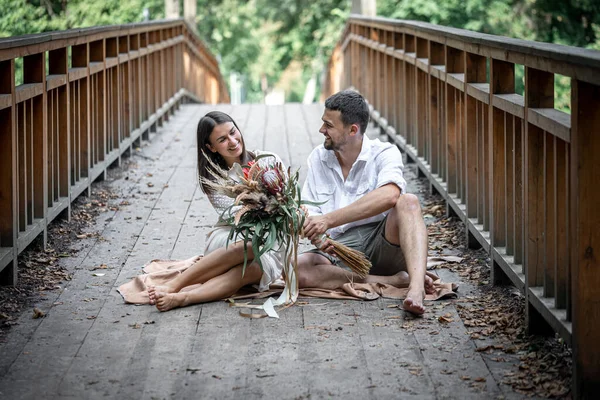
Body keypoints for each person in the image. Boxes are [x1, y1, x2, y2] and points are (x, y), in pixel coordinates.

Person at [298, 89, 431, 315]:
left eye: (328, 126)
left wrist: (328, 220)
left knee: (408, 202)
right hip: (340, 249)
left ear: (353, 130)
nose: (322, 130)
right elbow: (309, 209)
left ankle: (416, 289)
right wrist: (317, 235)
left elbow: (390, 195)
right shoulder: (319, 157)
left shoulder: (384, 153)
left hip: (384, 241)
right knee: (296, 270)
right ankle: (394, 281)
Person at [147, 111, 286, 311]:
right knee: (247, 245)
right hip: (231, 237)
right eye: (222, 139)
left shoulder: (269, 161)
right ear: (211, 147)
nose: (232, 141)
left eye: (232, 132)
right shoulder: (215, 180)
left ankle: (184, 298)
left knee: (252, 268)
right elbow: (242, 217)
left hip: (269, 245)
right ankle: (173, 285)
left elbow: (287, 202)